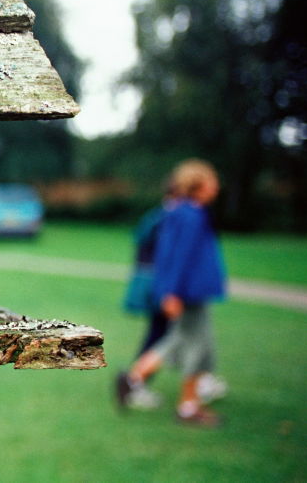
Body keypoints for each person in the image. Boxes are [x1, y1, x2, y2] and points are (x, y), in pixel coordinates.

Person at [117, 159, 227, 426]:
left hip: (187, 292)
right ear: (198, 184)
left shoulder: (179, 212)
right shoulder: (189, 214)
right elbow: (177, 257)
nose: (217, 186)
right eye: (212, 181)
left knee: (180, 341)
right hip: (187, 293)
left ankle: (135, 380)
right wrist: (171, 292)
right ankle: (186, 405)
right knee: (196, 347)